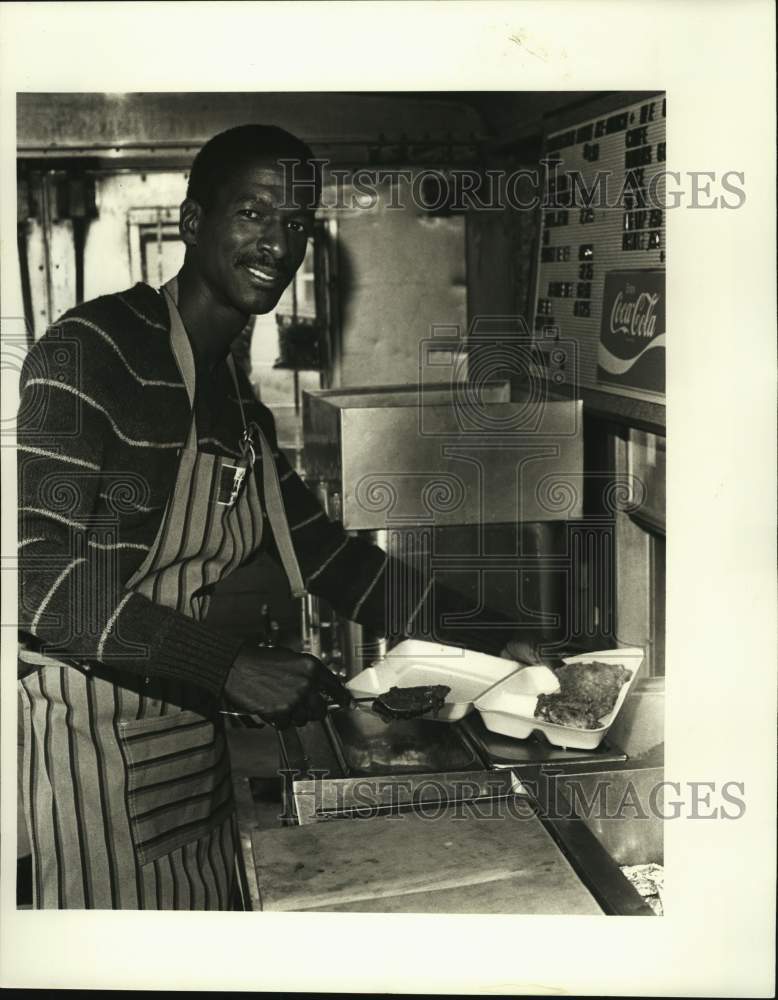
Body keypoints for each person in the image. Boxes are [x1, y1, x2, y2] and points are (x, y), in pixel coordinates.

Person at [17, 124, 519, 911]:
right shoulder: (91, 353)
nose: (278, 241)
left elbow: (335, 564)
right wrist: (229, 667)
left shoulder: (236, 408)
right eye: (253, 213)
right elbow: (45, 588)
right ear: (192, 222)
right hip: (96, 760)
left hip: (191, 755)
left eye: (295, 222)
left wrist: (501, 636)